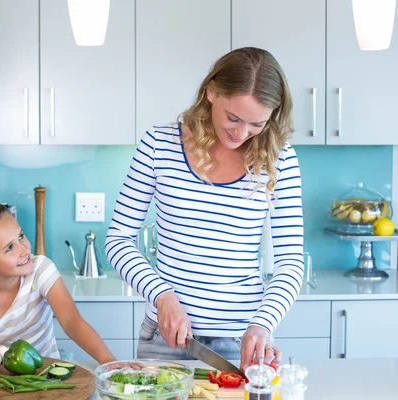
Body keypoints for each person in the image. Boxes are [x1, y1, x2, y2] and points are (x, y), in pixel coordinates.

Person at [105, 47, 304, 371]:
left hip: (241, 343)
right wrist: (162, 296)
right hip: (166, 338)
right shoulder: (158, 145)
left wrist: (263, 323)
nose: (241, 134)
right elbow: (117, 240)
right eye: (233, 118)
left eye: (256, 123)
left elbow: (290, 261)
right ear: (211, 91)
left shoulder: (280, 159)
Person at [0, 202, 119, 365]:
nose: (25, 249)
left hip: (45, 379)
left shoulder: (40, 271)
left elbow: (71, 321)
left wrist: (107, 360)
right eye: (9, 248)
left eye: (21, 236)